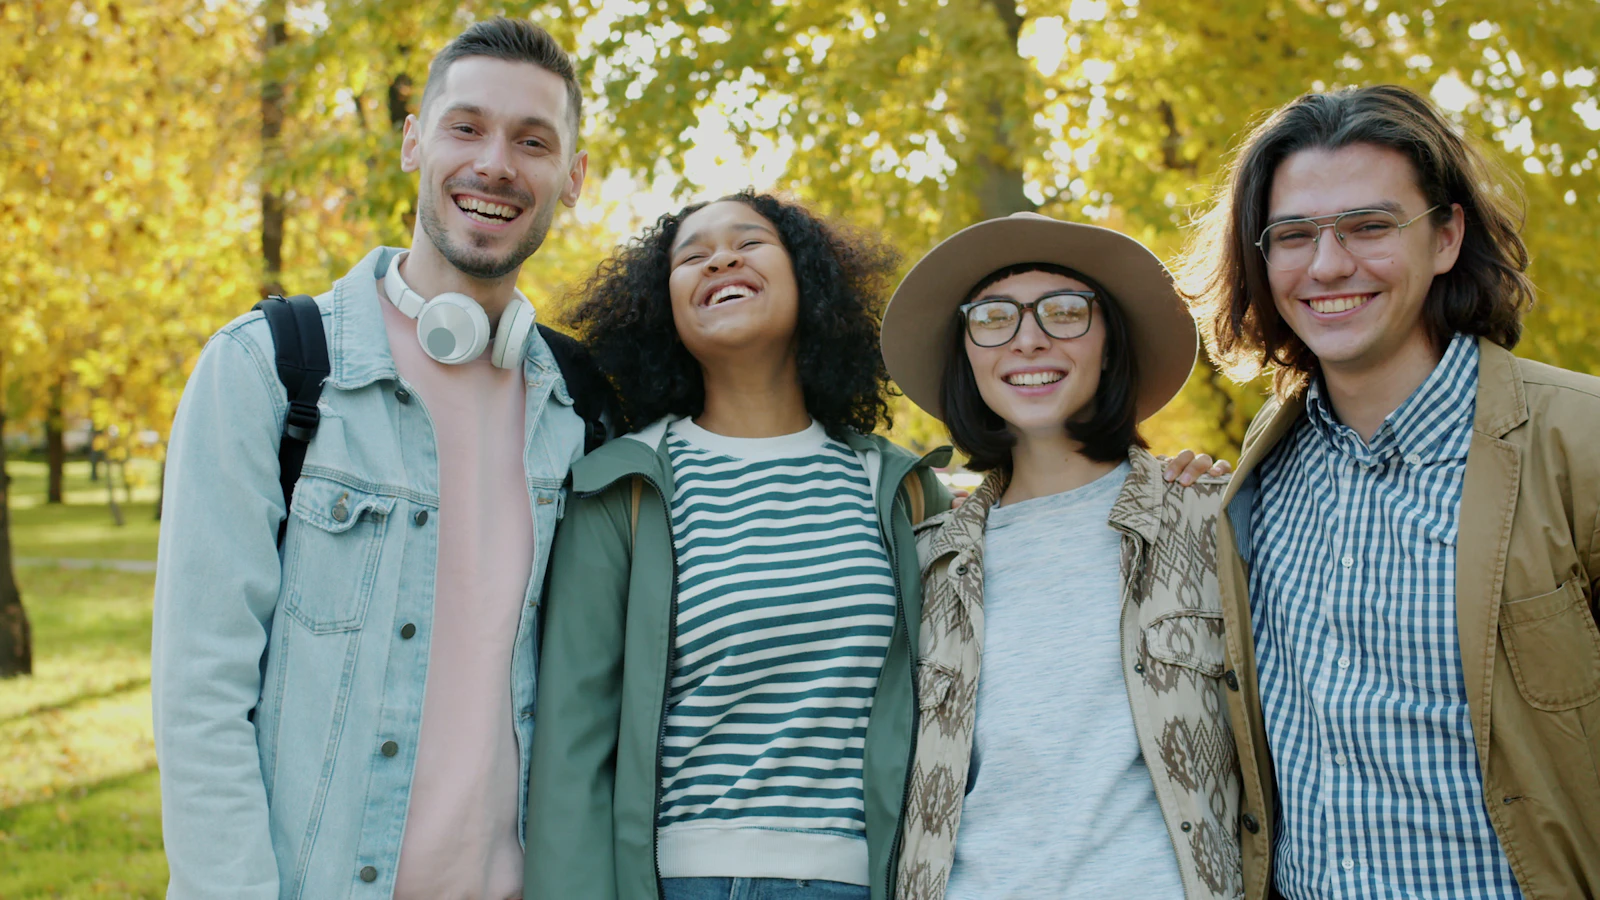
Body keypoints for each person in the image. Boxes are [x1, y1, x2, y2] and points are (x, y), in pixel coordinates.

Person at [151, 18, 588, 899]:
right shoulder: (270, 369)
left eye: (533, 141)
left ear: (571, 179)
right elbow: (200, 696)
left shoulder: (583, 409)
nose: (496, 164)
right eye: (466, 126)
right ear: (412, 141)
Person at [1178, 84, 1600, 899]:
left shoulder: (1578, 446)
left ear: (1446, 236)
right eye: (1294, 234)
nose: (1329, 264)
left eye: (1371, 227)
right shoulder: (1258, 483)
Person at [878, 212, 1245, 900]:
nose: (1029, 339)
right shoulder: (928, 563)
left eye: (1066, 312)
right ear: (968, 354)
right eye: (994, 318)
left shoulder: (1209, 517)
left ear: (1110, 343)